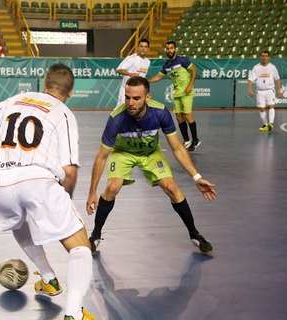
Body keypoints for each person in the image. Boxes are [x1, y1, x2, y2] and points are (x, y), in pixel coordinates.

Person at [0, 64, 102, 320]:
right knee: (79, 246)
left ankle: (49, 279)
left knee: (19, 222)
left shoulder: (15, 100)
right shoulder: (63, 113)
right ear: (70, 92)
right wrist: (63, 203)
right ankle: (74, 315)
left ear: (44, 83)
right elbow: (70, 171)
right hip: (36, 179)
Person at [86, 76, 217, 257]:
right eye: (127, 97)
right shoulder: (117, 118)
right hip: (123, 152)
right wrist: (92, 191)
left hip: (150, 152)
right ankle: (95, 235)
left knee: (171, 187)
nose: (130, 103)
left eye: (136, 98)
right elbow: (101, 156)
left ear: (147, 97)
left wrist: (196, 177)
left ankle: (195, 234)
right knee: (112, 187)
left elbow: (177, 147)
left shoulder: (160, 112)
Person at [148, 40, 200, 152]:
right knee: (179, 117)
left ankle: (195, 140)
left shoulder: (182, 60)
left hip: (186, 92)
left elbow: (194, 70)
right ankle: (187, 141)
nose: (169, 50)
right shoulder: (167, 65)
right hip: (177, 94)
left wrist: (190, 85)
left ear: (175, 49)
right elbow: (158, 76)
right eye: (167, 48)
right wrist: (146, 81)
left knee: (187, 114)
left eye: (171, 48)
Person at [248, 50, 282, 132]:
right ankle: (266, 125)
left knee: (271, 106)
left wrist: (279, 89)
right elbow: (250, 80)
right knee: (261, 109)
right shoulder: (256, 67)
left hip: (270, 90)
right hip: (260, 91)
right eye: (263, 56)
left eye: (266, 56)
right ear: (261, 57)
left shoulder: (272, 67)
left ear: (269, 57)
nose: (264, 57)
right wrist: (250, 90)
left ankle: (271, 123)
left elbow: (277, 79)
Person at [116, 38, 150, 106]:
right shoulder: (132, 58)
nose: (143, 48)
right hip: (126, 92)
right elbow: (119, 70)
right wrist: (130, 74)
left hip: (137, 93)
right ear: (138, 48)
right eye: (141, 46)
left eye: (145, 47)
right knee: (120, 113)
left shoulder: (148, 62)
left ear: (148, 49)